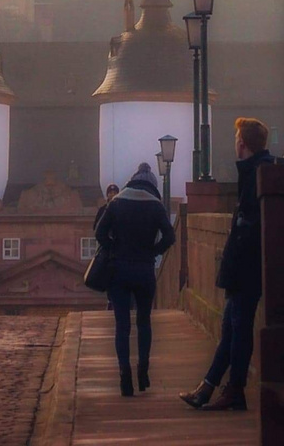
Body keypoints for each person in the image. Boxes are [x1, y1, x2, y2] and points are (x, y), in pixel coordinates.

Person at [179, 117, 273, 412]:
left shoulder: (258, 173)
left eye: (236, 139)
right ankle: (208, 388)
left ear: (242, 144)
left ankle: (232, 390)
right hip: (243, 268)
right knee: (231, 330)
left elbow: (249, 227)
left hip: (245, 269)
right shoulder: (258, 171)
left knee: (238, 330)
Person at [95, 161, 175, 397]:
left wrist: (113, 249)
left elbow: (100, 233)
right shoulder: (156, 206)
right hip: (144, 271)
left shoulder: (117, 202)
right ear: (152, 186)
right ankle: (143, 369)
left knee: (122, 325)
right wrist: (153, 251)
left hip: (118, 270)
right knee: (144, 322)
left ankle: (124, 375)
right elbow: (170, 237)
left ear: (132, 180)